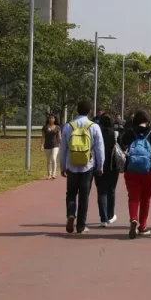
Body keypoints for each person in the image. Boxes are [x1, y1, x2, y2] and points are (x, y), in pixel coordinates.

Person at [60, 100, 105, 234]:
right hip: (87, 165)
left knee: (71, 194)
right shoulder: (94, 126)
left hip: (72, 165)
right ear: (90, 111)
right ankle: (81, 226)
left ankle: (70, 214)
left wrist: (63, 166)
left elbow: (63, 148)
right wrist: (100, 165)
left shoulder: (68, 126)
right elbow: (99, 148)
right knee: (84, 196)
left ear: (77, 110)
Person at [119, 109, 151, 239]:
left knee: (133, 198)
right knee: (146, 199)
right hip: (149, 170)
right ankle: (143, 226)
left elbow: (122, 143)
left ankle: (133, 218)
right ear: (148, 120)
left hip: (131, 170)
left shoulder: (130, 132)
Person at [95, 114, 120, 227]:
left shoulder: (97, 133)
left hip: (99, 165)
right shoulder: (115, 134)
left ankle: (103, 218)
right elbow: (123, 147)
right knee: (111, 190)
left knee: (101, 192)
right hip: (113, 166)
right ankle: (110, 215)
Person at [41, 114, 62, 180]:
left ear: (55, 119)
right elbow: (43, 137)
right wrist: (42, 145)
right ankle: (49, 174)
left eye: (52, 118)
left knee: (53, 159)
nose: (51, 119)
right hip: (47, 146)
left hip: (55, 145)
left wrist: (62, 144)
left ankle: (54, 174)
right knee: (48, 160)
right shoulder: (45, 127)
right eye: (50, 118)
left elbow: (59, 137)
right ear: (48, 119)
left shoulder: (57, 127)